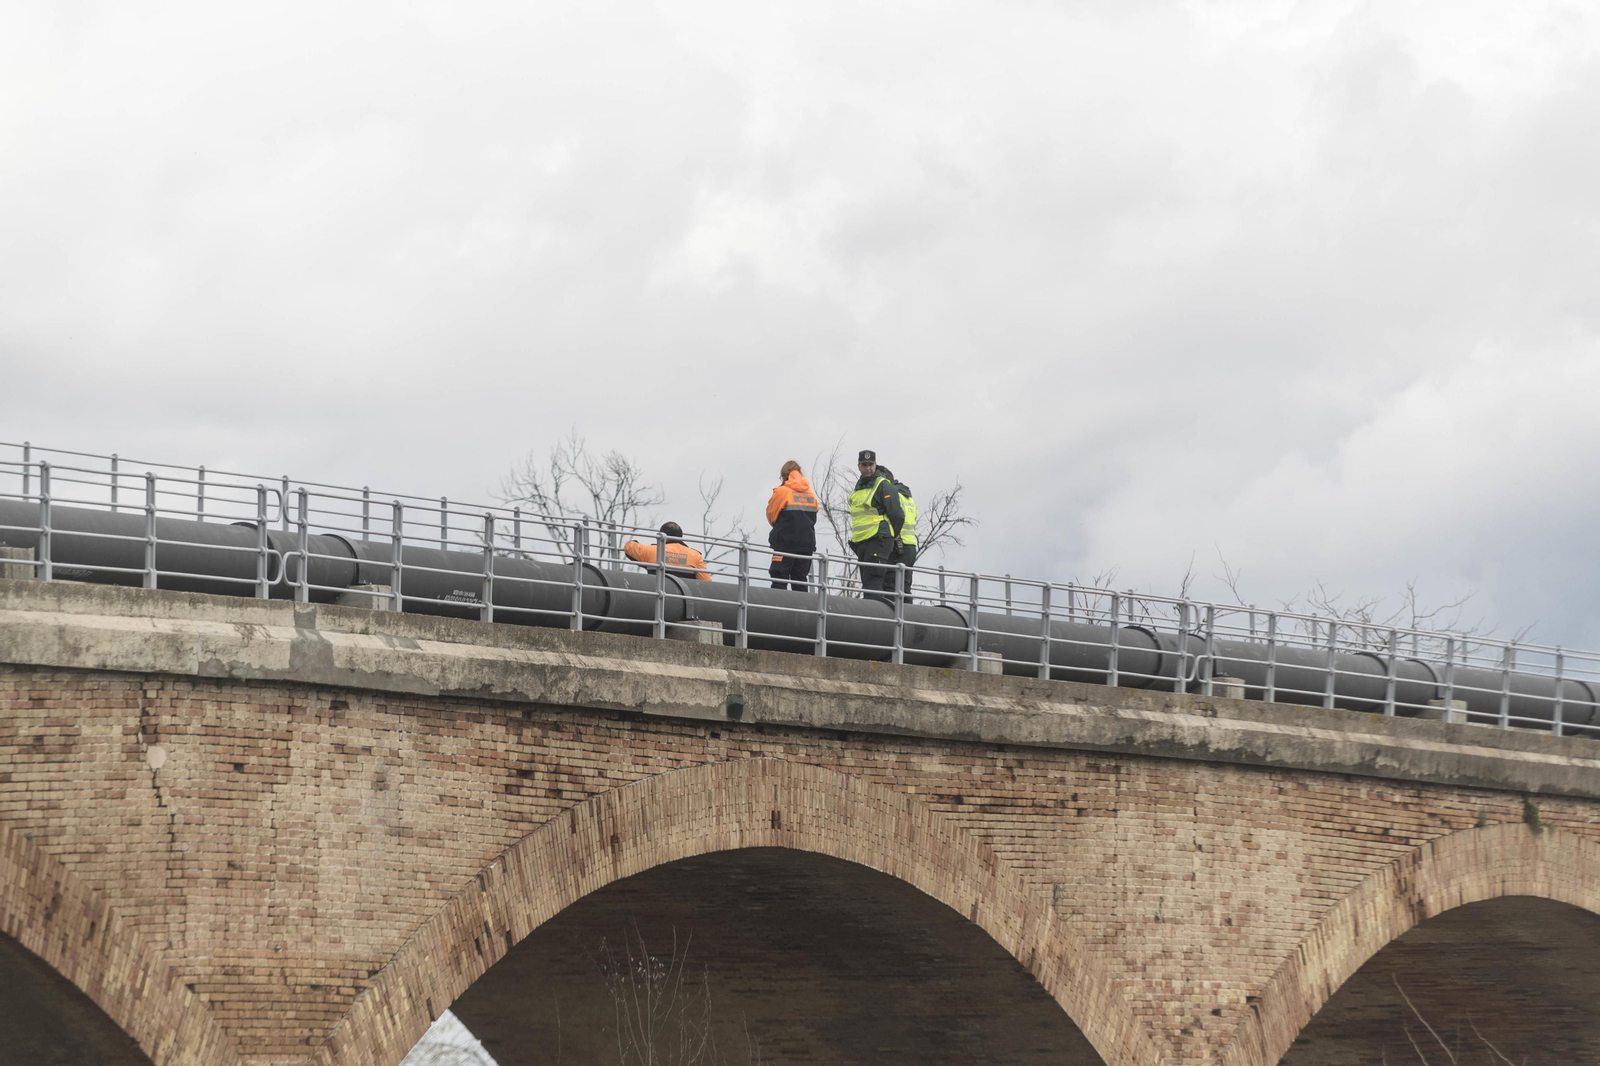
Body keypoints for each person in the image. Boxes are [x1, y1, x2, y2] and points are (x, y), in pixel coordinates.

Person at [847, 449, 903, 603]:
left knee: (873, 586)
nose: (868, 468)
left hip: (879, 539)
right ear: (859, 466)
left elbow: (897, 514)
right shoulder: (858, 488)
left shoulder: (883, 485)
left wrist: (893, 534)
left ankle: (875, 621)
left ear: (875, 464)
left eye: (870, 464)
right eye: (864, 465)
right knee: (868, 585)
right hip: (862, 543)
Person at [765, 460, 818, 590]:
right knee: (800, 581)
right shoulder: (810, 494)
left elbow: (771, 515)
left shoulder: (782, 492)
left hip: (785, 545)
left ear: (784, 475)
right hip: (806, 546)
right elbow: (814, 516)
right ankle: (801, 610)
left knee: (779, 579)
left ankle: (778, 609)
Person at [876, 466, 917, 604]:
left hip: (897, 544)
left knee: (889, 586)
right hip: (910, 545)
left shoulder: (891, 494)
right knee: (905, 587)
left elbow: (895, 516)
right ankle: (908, 620)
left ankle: (891, 622)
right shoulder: (907, 496)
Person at [623, 522, 711, 580]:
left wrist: (634, 542)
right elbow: (706, 582)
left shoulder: (652, 551)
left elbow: (628, 547)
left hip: (657, 596)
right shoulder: (695, 555)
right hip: (685, 603)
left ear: (661, 536)